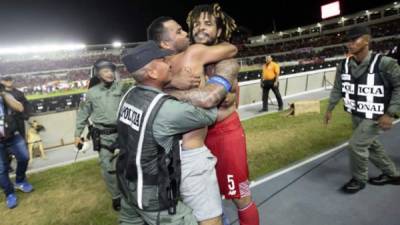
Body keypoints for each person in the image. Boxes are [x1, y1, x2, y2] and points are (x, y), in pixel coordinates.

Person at [118, 41, 237, 225]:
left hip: (128, 189)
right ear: (152, 72)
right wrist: (224, 74)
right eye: (163, 60)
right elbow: (210, 104)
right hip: (154, 200)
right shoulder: (166, 110)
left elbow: (151, 94)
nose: (171, 63)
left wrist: (170, 85)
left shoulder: (129, 93)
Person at [147, 16, 238, 225]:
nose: (186, 33)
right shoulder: (193, 52)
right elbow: (231, 49)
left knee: (181, 215)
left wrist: (170, 84)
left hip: (161, 157)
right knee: (210, 219)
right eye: (179, 31)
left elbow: (146, 97)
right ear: (165, 43)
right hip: (191, 155)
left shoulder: (154, 68)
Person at [187, 4, 260, 225]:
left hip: (225, 135)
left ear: (219, 31)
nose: (200, 28)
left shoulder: (226, 59)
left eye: (208, 24)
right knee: (206, 198)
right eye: (196, 24)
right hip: (197, 139)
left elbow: (217, 99)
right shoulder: (189, 57)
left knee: (240, 195)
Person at [324, 25, 400, 194]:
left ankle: (359, 179)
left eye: (354, 40)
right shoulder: (343, 65)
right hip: (356, 114)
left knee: (356, 145)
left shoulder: (385, 63)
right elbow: (338, 88)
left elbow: (399, 87)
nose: (350, 44)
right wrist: (329, 108)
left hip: (376, 115)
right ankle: (393, 175)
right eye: (348, 41)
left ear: (367, 40)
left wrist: (390, 113)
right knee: (372, 147)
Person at [74, 59, 129, 211]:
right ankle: (116, 196)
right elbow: (82, 114)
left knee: (127, 164)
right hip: (104, 136)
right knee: (108, 168)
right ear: (98, 74)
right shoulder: (91, 93)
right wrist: (77, 134)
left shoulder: (122, 87)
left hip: (123, 133)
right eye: (105, 71)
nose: (110, 73)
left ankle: (130, 191)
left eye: (111, 70)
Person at [0, 83, 33, 209]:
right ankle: (9, 194)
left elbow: (20, 108)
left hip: (12, 134)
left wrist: (3, 94)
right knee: (1, 169)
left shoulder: (5, 95)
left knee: (24, 157)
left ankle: (20, 181)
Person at [1, 76, 31, 168]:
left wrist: (26, 116)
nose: (9, 82)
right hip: (5, 123)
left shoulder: (19, 93)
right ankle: (7, 165)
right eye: (6, 80)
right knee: (5, 144)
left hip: (18, 120)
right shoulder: (2, 93)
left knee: (21, 141)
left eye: (10, 80)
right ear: (2, 81)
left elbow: (26, 105)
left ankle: (23, 163)